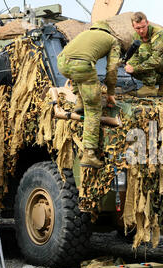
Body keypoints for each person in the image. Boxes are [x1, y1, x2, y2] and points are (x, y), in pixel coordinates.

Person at [57, 21, 121, 168]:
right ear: (108, 31)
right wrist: (110, 92)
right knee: (93, 109)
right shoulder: (112, 40)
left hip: (62, 63)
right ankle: (89, 154)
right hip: (82, 66)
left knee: (77, 74)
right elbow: (112, 70)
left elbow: (71, 60)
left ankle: (80, 102)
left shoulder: (84, 34)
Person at [125, 12, 163, 97]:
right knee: (131, 65)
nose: (141, 30)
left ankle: (149, 87)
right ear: (133, 27)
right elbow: (136, 55)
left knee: (144, 50)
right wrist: (130, 64)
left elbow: (155, 59)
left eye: (143, 27)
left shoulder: (158, 32)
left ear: (147, 23)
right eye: (138, 28)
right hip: (158, 62)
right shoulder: (136, 36)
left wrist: (135, 68)